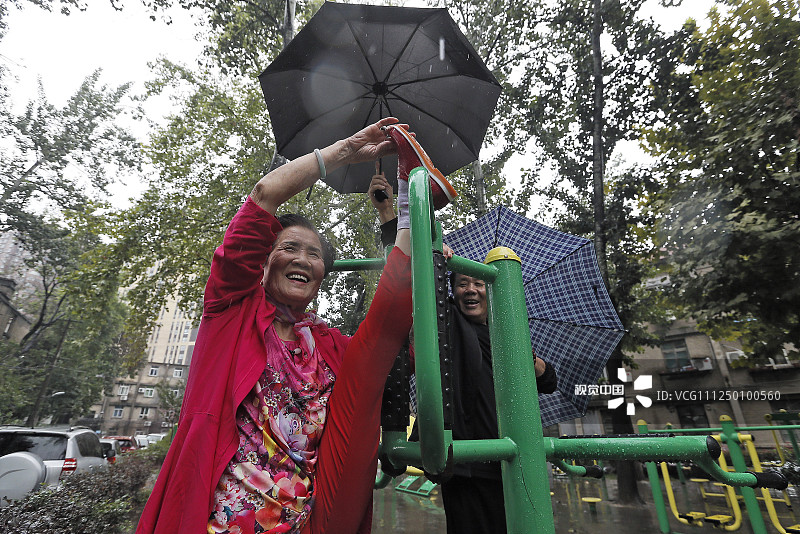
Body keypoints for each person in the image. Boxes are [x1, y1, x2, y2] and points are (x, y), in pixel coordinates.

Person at [136, 117, 457, 534]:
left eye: (314, 254)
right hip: (216, 524)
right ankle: (411, 208)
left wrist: (430, 265)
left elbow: (397, 344)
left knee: (376, 343)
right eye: (289, 247)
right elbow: (264, 195)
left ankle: (413, 208)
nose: (303, 259)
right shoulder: (230, 312)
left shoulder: (326, 348)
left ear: (323, 273)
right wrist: (347, 149)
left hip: (309, 522)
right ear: (265, 262)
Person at [370, 174, 557, 534]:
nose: (471, 289)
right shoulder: (451, 325)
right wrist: (391, 215)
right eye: (462, 283)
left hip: (516, 457)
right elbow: (410, 276)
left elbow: (549, 381)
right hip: (469, 460)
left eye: (477, 283)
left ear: (492, 290)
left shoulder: (510, 332)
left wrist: (531, 362)